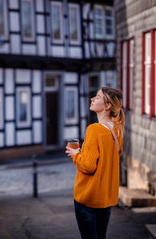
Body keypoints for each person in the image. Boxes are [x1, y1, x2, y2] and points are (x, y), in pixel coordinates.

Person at [65, 87, 125, 239]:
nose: (92, 99)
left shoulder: (94, 130)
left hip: (89, 199)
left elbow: (88, 166)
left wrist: (76, 154)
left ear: (107, 106)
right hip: (106, 199)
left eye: (97, 97)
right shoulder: (117, 131)